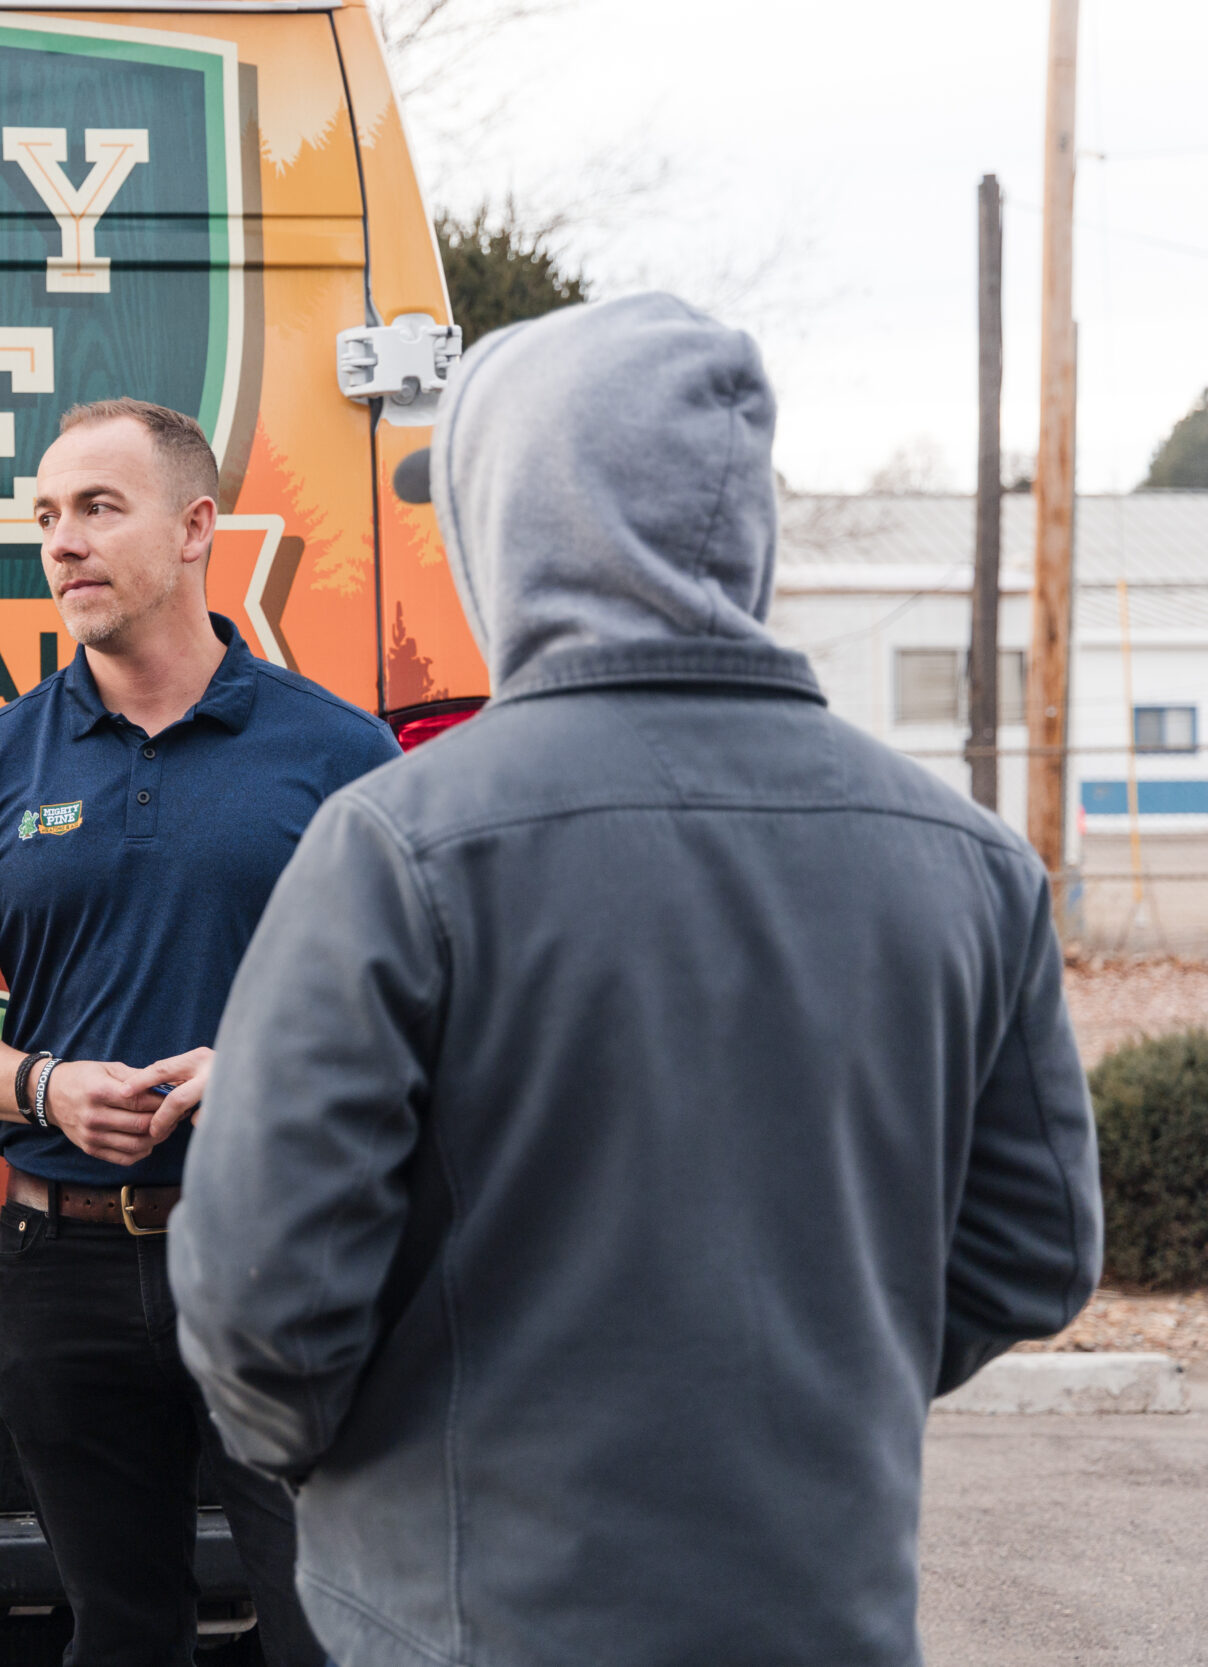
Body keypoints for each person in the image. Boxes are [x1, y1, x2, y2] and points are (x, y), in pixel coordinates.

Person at [171, 294, 1102, 1667]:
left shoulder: (400, 842)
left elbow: (264, 1296)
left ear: (514, 518)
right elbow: (1037, 1250)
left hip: (472, 1616)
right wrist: (811, 1395)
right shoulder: (969, 858)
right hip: (822, 1607)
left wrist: (354, 1469)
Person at [0, 398, 400, 1667]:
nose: (62, 542)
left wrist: (261, 1070)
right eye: (46, 516)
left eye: (98, 509)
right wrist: (42, 1087)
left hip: (284, 1252)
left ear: (195, 527)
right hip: (61, 1269)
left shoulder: (341, 753)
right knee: (118, 1634)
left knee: (332, 1633)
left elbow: (430, 1012)